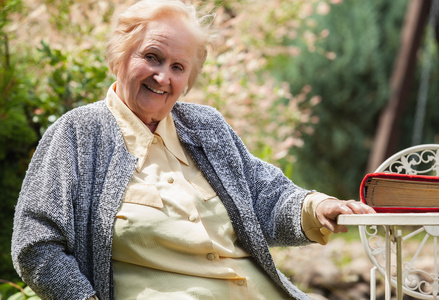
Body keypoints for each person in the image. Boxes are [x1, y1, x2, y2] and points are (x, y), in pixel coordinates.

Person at [11, 0, 375, 299]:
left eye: (178, 67)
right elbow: (36, 245)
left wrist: (318, 207)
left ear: (188, 81)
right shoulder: (77, 134)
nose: (163, 77)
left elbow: (266, 195)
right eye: (151, 57)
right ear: (119, 56)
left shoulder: (205, 126)